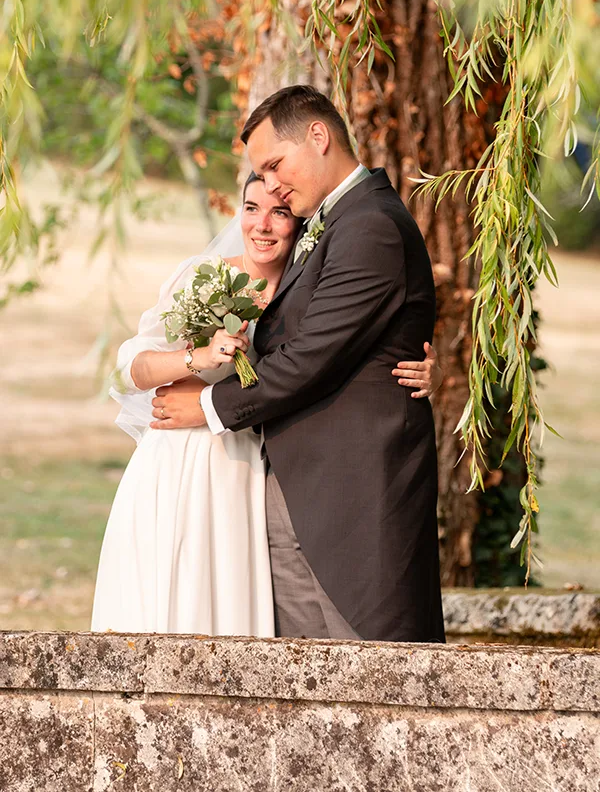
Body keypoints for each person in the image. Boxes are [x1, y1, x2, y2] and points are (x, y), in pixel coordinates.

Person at [150, 85, 446, 644]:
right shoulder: (326, 224)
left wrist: (207, 406)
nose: (271, 183)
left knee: (371, 683)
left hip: (353, 501)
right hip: (299, 490)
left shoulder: (369, 226)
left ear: (318, 135)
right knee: (304, 693)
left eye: (275, 163)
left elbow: (311, 359)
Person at [91, 172, 441, 635]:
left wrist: (427, 369)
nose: (262, 225)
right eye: (251, 208)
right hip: (182, 464)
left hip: (250, 474)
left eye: (278, 211)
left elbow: (334, 355)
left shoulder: (312, 290)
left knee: (235, 614)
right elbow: (128, 369)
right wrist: (195, 357)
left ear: (298, 221)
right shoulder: (204, 277)